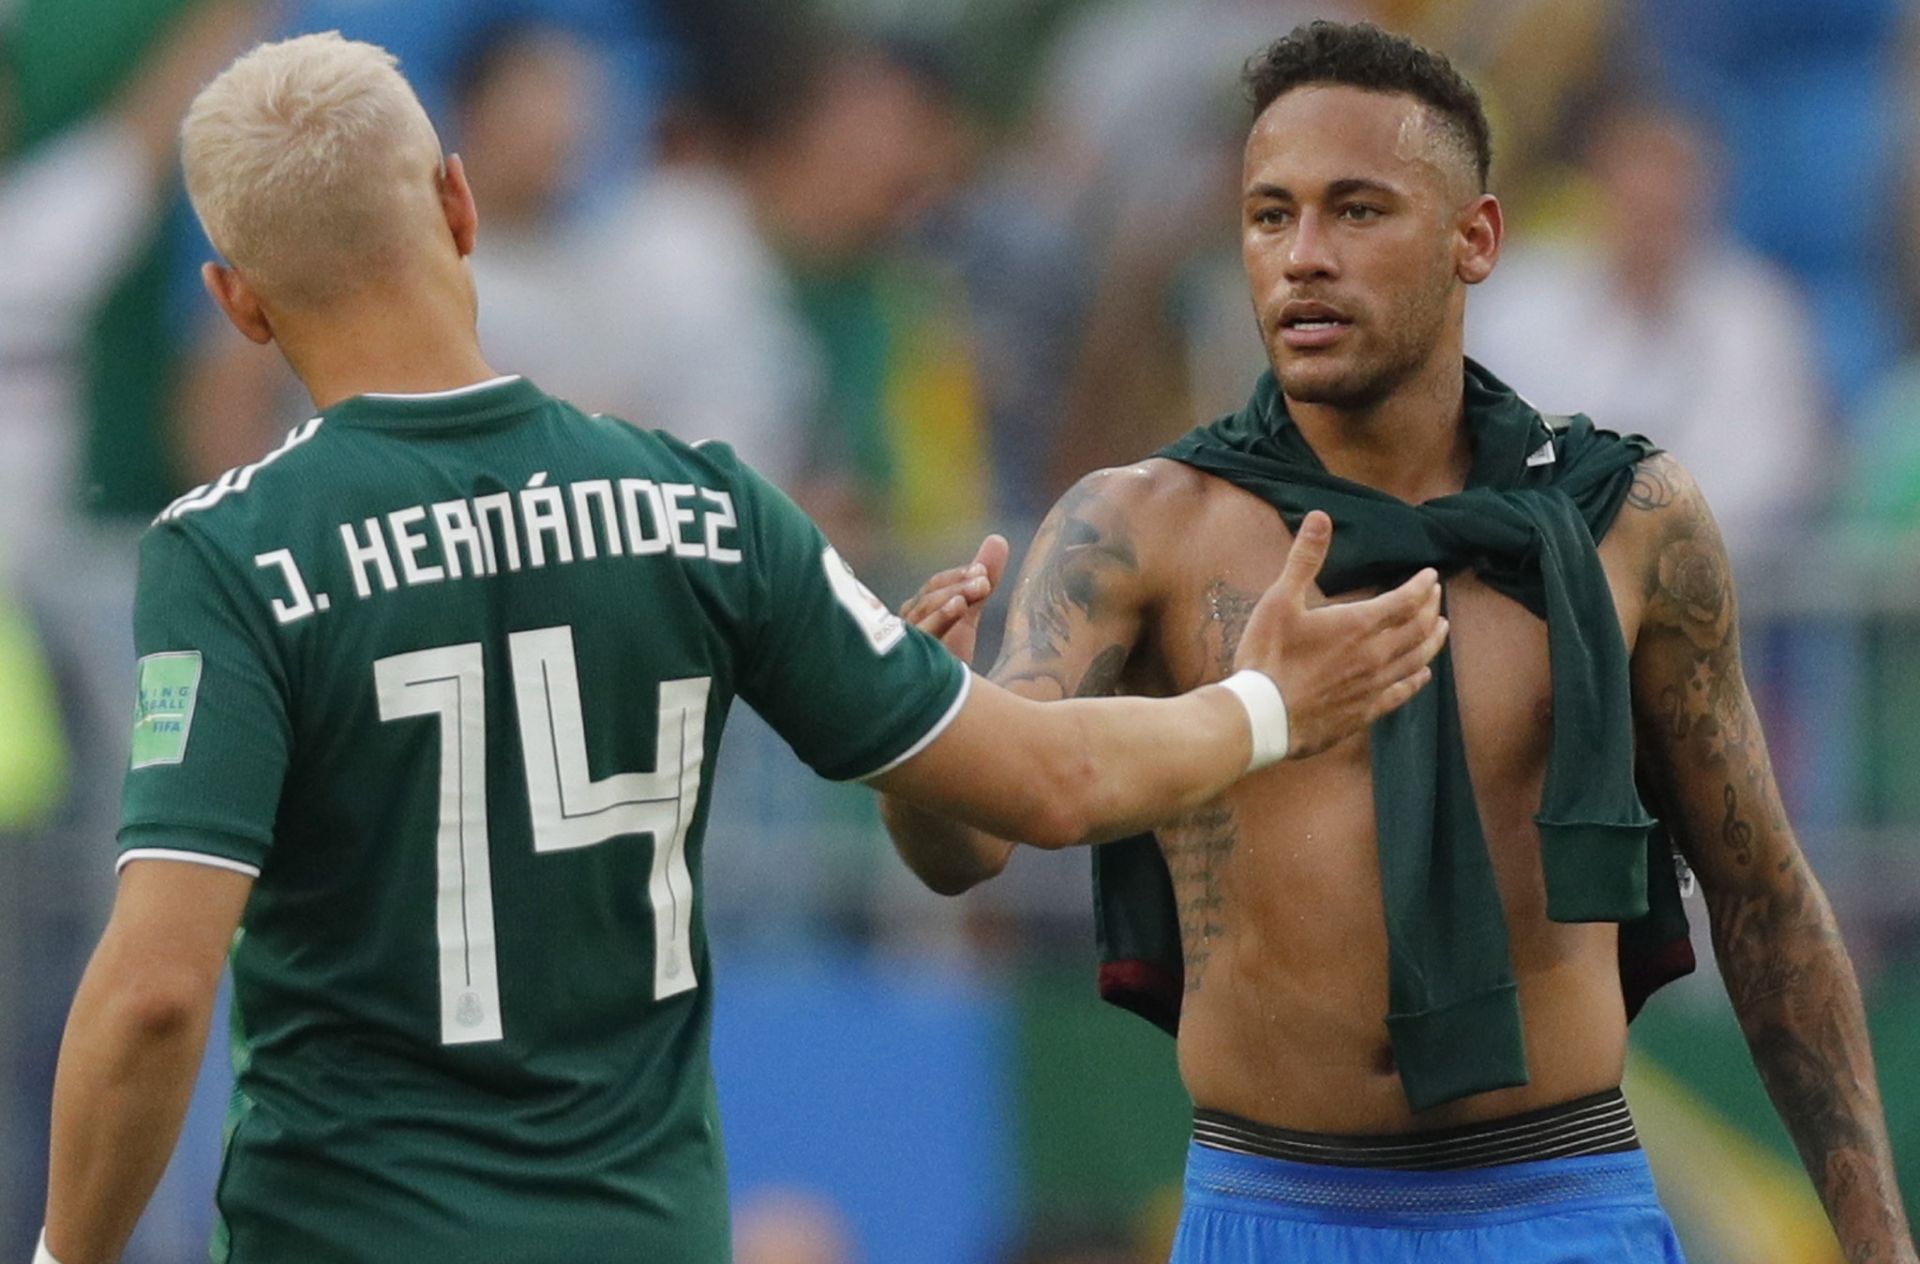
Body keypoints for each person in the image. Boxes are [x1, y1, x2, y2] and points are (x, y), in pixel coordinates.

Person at [30, 32, 1447, 1264]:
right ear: (456, 203)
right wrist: (1269, 704)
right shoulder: (701, 503)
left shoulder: (234, 554)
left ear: (238, 300)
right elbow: (1048, 783)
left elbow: (158, 991)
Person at [884, 20, 1916, 1264]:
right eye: (1270, 217)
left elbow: (1765, 902)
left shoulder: (1629, 522)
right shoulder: (1139, 526)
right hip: (1270, 1211)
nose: (1303, 258)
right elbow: (968, 848)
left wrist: (1878, 1242)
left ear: (1474, 238)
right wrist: (915, 736)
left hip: (1560, 1207)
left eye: (1356, 211)